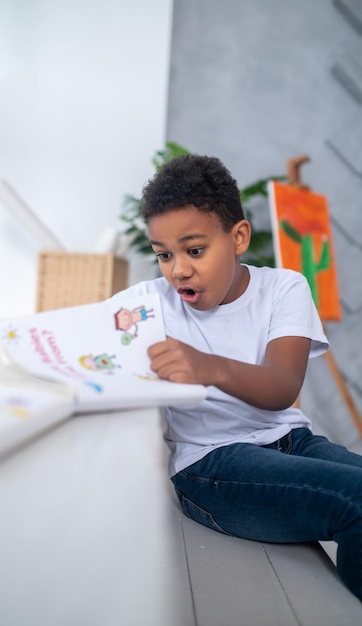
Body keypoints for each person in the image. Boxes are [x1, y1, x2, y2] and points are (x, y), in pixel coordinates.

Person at [112, 153, 362, 601]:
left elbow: (283, 387)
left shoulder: (285, 288)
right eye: (164, 254)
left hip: (291, 441)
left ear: (238, 236)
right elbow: (85, 349)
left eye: (194, 250)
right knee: (357, 501)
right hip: (210, 466)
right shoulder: (147, 305)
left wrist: (209, 367)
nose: (178, 269)